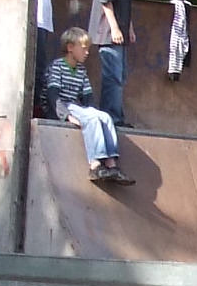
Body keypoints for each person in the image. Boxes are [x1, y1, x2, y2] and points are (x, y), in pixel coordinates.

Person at [38, 28, 133, 187]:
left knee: (104, 117)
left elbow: (88, 98)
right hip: (60, 107)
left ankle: (111, 164)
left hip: (74, 105)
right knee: (91, 119)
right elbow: (53, 96)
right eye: (84, 48)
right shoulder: (57, 66)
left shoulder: (81, 70)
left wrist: (92, 111)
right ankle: (95, 165)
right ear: (70, 48)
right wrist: (67, 116)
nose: (87, 53)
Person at [86, 0, 139, 127]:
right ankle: (111, 119)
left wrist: (129, 28)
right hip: (107, 32)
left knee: (121, 76)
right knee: (113, 76)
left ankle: (117, 117)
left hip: (121, 31)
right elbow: (106, 0)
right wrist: (115, 28)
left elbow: (124, 2)